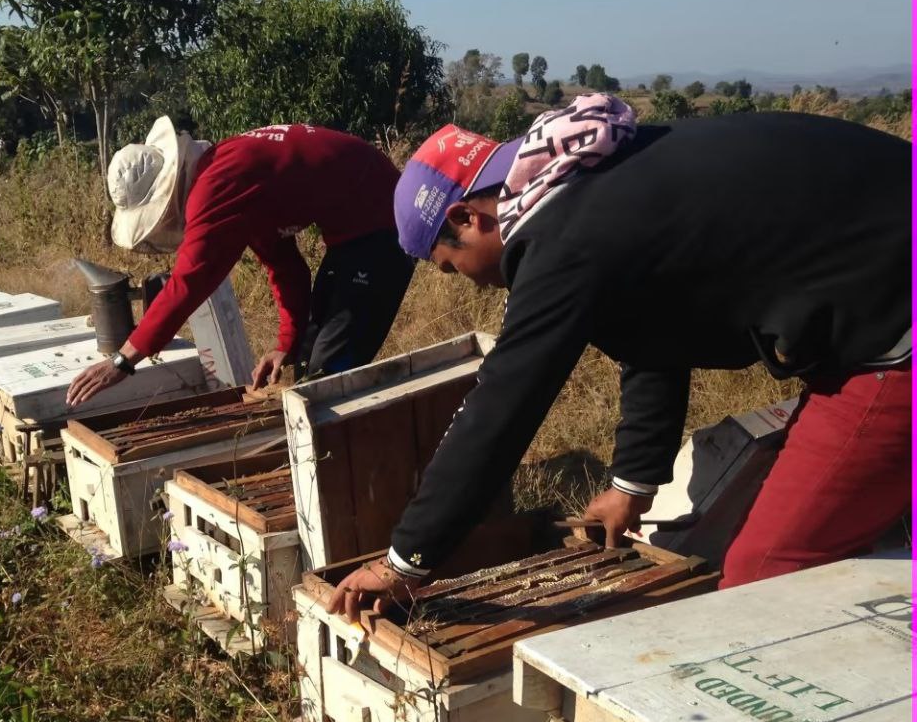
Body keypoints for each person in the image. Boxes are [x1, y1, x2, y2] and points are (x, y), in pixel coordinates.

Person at [330, 94, 910, 620]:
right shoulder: (591, 173)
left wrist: (405, 562)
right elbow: (655, 328)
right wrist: (632, 483)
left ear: (465, 218)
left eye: (449, 266)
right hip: (867, 293)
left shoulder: (561, 238)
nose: (470, 283)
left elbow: (502, 408)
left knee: (764, 580)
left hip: (893, 331)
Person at [66, 118, 415, 406]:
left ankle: (343, 470)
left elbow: (188, 283)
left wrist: (123, 360)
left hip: (384, 224)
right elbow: (286, 268)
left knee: (328, 379)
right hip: (354, 233)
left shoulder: (217, 184)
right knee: (309, 356)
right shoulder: (234, 183)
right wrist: (285, 344)